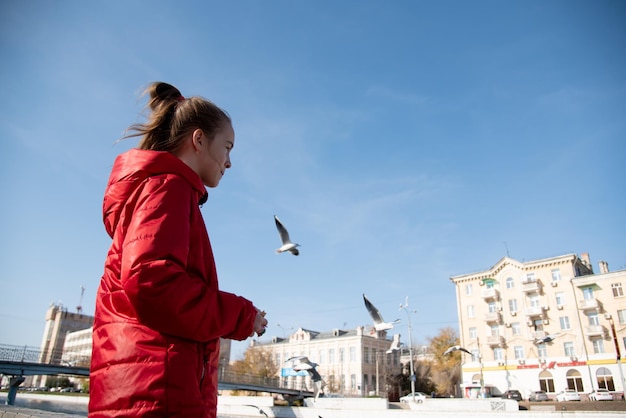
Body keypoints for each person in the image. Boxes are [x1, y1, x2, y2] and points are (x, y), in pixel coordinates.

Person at [89, 82, 268, 417]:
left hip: (142, 385)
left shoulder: (161, 188)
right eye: (227, 147)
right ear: (199, 140)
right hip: (157, 389)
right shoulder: (168, 187)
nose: (229, 162)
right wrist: (242, 316)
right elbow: (152, 282)